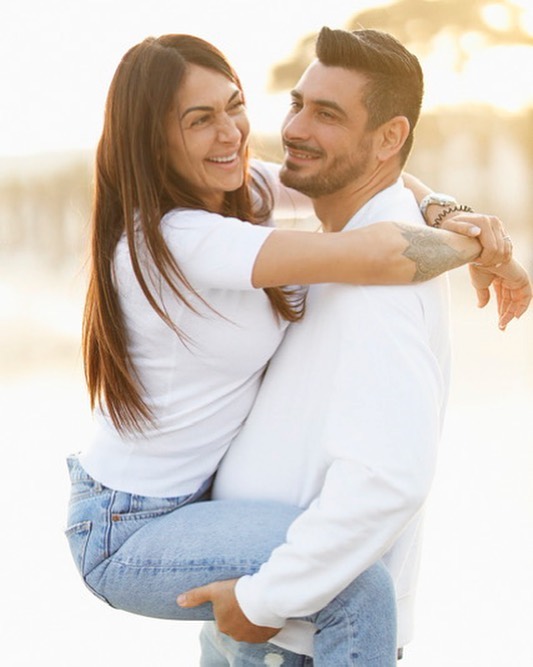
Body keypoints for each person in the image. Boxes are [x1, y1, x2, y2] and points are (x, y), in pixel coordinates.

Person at [64, 33, 529, 666]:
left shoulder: (235, 189)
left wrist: (448, 211)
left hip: (195, 519)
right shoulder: (178, 237)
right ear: (154, 140)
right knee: (359, 588)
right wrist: (488, 252)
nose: (234, 133)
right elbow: (379, 251)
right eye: (200, 120)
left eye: (235, 105)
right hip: (128, 526)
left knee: (353, 583)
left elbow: (369, 172)